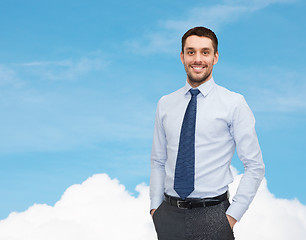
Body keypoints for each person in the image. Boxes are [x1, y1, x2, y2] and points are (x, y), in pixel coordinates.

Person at [149, 26, 265, 240]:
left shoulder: (234, 104)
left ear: (215, 57)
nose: (198, 59)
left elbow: (255, 166)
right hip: (168, 215)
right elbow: (158, 161)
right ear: (182, 57)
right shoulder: (165, 104)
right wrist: (155, 209)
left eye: (205, 52)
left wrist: (231, 217)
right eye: (191, 52)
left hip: (214, 215)